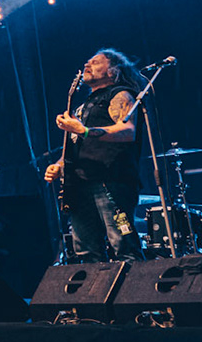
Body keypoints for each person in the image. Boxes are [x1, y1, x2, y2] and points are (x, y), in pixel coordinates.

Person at [44, 50, 142, 262]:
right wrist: (59, 165)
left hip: (111, 181)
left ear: (113, 70)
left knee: (123, 245)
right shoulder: (83, 106)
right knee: (86, 250)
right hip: (79, 185)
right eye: (87, 62)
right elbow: (75, 145)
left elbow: (127, 131)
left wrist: (84, 130)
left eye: (96, 62)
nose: (87, 65)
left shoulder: (120, 95)